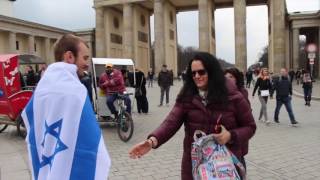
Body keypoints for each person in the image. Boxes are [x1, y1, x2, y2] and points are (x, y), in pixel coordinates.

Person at [129, 52, 256, 180]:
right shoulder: (187, 95)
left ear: (212, 72)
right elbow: (171, 122)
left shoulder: (234, 96)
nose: (197, 76)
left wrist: (230, 135)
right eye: (193, 73)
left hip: (224, 165)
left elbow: (250, 127)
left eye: (201, 72)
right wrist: (152, 141)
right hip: (194, 164)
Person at [21, 34, 110, 179]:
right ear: (70, 56)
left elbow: (32, 128)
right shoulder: (76, 91)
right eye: (85, 58)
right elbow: (91, 144)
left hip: (46, 166)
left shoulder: (41, 88)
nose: (87, 63)